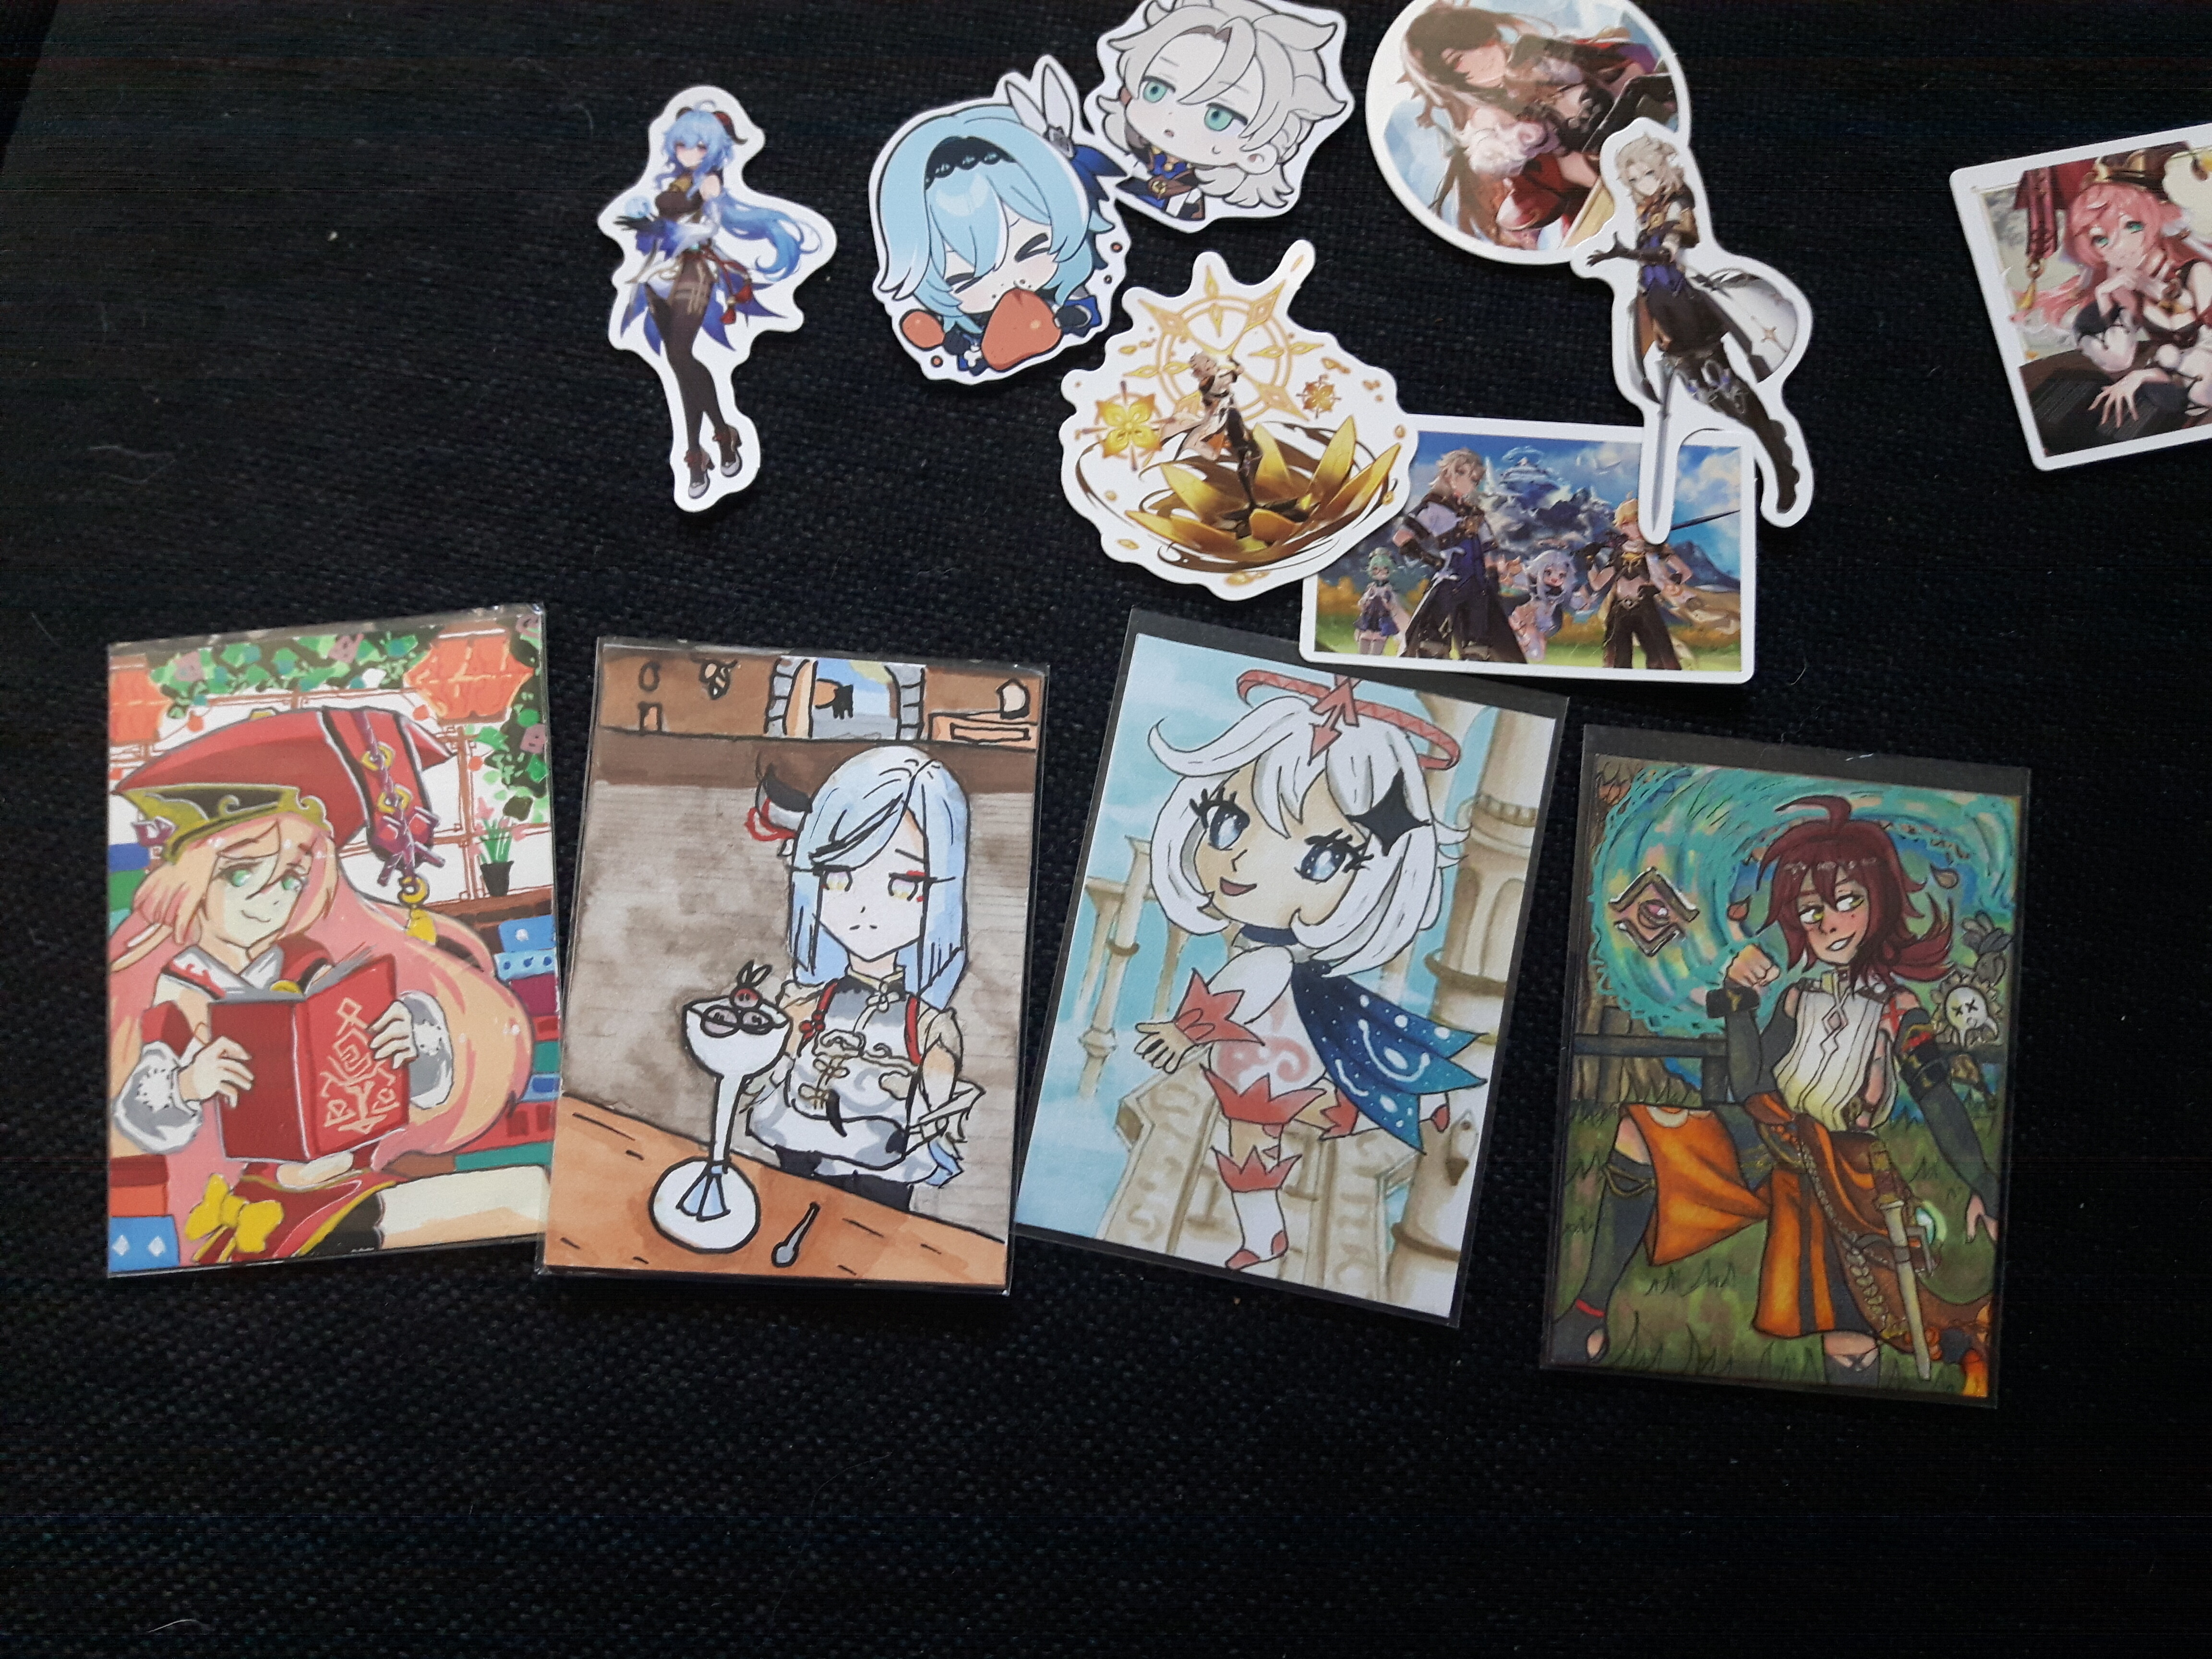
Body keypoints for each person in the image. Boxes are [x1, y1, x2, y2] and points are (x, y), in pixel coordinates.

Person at [1551, 796, 2000, 1393]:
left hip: (1843, 1163)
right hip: (1768, 1134)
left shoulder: (1899, 1008)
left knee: (1852, 1321)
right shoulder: (1796, 997)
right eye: (1813, 911)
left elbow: (1937, 1098)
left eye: (1849, 902)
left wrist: (1982, 1180)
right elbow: (1751, 1085)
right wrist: (1738, 1000)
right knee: (1642, 1130)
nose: (1831, 924)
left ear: (1880, 905)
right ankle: (1587, 1316)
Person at [108, 709, 535, 1263]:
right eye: (242, 874)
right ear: (189, 881)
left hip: (351, 1179)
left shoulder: (309, 962)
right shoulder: (182, 991)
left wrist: (414, 1044)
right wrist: (189, 1084)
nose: (269, 901)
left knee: (527, 1196)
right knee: (516, 1205)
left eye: (290, 879)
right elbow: (142, 1117)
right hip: (263, 1207)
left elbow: (372, 1076)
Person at [1130, 670, 1484, 1272]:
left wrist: (1184, 1033)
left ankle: (1266, 1234)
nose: (1243, 860)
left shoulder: (1269, 956)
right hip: (1270, 1055)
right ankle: (1420, 1108)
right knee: (1307, 1112)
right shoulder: (1273, 953)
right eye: (1227, 822)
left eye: (1322, 859)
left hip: (1262, 1064)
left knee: (1259, 1140)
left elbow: (1250, 983)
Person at [735, 748, 978, 1211]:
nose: (865, 908)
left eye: (904, 884)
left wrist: (927, 1095)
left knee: (873, 1228)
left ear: (942, 891)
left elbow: (938, 1076)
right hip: (800, 1131)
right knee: (786, 1208)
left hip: (882, 1152)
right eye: (838, 878)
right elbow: (772, 1057)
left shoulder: (924, 1021)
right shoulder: (811, 1000)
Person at [613, 101, 821, 498]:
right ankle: (701, 449)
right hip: (657, 274)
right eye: (683, 145)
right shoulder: (676, 182)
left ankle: (718, 437)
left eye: (700, 146)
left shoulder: (710, 183)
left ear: (715, 148)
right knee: (677, 365)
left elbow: (708, 225)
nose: (690, 153)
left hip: (695, 269)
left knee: (680, 355)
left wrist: (676, 227)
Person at [1586, 131, 1802, 514]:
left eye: (1649, 174)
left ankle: (1778, 463)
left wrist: (1623, 253)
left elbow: (1668, 254)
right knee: (1706, 395)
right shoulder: (1647, 212)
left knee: (1730, 389)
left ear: (1663, 169)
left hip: (1684, 307)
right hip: (1661, 312)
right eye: (1634, 179)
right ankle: (1768, 445)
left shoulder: (1677, 203)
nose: (1643, 184)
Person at [875, 62, 1121, 377]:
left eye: (1034, 248)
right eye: (964, 280)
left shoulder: (1071, 294)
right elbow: (968, 356)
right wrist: (951, 342)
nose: (1009, 283)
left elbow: (1088, 314)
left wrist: (1071, 318)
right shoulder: (968, 328)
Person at [1092, 0, 1347, 224]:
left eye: (1218, 117)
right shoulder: (1118, 156)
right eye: (1156, 90)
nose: (1173, 120)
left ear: (1258, 155)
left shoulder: (1189, 200)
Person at [2020, 152, 2212, 446]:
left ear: (2154, 220)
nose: (2119, 247)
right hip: (2174, 386)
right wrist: (2104, 296)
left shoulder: (2197, 272)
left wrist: (2150, 289)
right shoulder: (2121, 283)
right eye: (2101, 239)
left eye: (2132, 226)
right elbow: (2118, 358)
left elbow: (2191, 341)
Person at [1392, 448, 1525, 662]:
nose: (1474, 484)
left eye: (1477, 480)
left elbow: (1488, 550)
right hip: (1450, 578)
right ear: (1450, 474)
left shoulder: (1475, 514)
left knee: (1478, 642)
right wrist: (1432, 560)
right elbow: (1402, 536)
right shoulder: (1434, 507)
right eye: (1469, 477)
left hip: (1477, 584)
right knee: (1433, 640)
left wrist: (1495, 574)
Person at [1586, 497, 1692, 670]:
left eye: (1638, 522)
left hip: (1645, 608)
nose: (1634, 527)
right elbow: (1598, 584)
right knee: (1617, 661)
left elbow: (1685, 572)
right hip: (1619, 611)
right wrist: (1590, 560)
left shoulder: (1656, 550)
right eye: (1628, 523)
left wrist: (1658, 589)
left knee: (1660, 658)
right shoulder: (1619, 553)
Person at [1353, 548, 1408, 655]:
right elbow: (1362, 604)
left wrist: (1387, 601)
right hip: (1368, 621)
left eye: (1384, 569)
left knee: (1376, 651)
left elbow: (1392, 606)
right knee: (1363, 646)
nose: (1380, 572)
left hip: (1382, 622)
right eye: (1376, 569)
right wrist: (1366, 601)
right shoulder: (1371, 588)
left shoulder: (1389, 589)